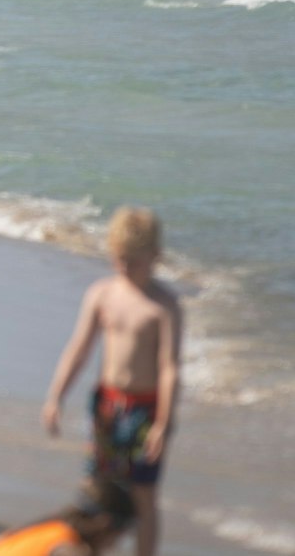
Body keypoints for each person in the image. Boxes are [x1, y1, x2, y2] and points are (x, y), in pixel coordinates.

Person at [42, 207, 180, 556]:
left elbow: (169, 368)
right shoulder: (102, 294)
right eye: (118, 259)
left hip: (145, 411)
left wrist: (162, 424)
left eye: (133, 261)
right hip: (107, 404)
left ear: (155, 256)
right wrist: (56, 396)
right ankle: (90, 550)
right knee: (95, 486)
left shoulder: (163, 307)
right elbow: (79, 348)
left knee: (143, 494)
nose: (124, 268)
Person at [0, 480, 136, 556]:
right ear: (104, 523)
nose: (113, 547)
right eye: (117, 537)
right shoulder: (68, 548)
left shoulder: (44, 529)